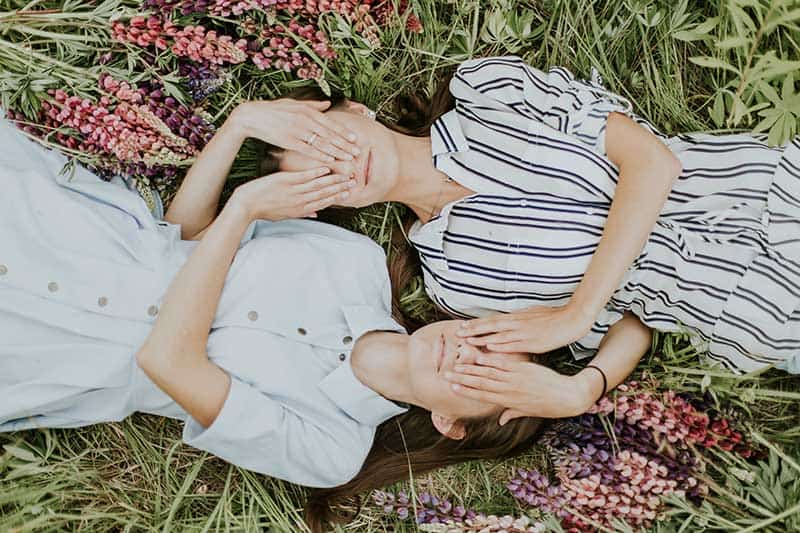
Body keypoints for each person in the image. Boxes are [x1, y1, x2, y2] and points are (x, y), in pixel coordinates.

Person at [0, 103, 545, 532]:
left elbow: (167, 362)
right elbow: (185, 243)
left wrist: (242, 210)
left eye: (478, 378)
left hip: (53, 353)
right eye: (489, 344)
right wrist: (236, 128)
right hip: (76, 239)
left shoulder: (332, 449)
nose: (464, 354)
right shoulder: (355, 261)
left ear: (447, 424)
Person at [258, 55, 800, 424]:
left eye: (329, 141)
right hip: (750, 309)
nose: (345, 164)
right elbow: (633, 321)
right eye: (323, 176)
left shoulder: (489, 92)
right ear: (326, 206)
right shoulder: (454, 284)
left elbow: (653, 162)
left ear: (355, 110)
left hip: (759, 189)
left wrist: (576, 311)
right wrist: (583, 387)